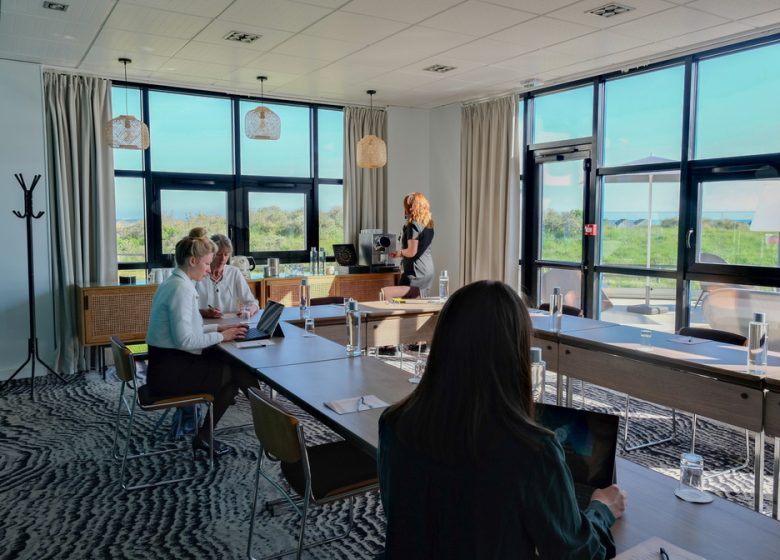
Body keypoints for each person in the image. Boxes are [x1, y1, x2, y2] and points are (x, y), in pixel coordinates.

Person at [378, 280, 626, 559]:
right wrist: (602, 510)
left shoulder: (394, 423)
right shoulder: (533, 451)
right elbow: (577, 554)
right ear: (516, 352)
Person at [146, 228, 258, 457]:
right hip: (168, 375)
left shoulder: (177, 283)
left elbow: (188, 330)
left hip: (167, 364)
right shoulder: (181, 289)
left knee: (235, 371)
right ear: (193, 260)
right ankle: (273, 420)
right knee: (235, 372)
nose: (209, 270)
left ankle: (209, 435)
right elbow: (186, 339)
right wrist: (222, 336)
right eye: (207, 264)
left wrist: (219, 328)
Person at [194, 231, 259, 319]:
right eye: (219, 254)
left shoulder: (234, 272)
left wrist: (248, 310)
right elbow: (187, 309)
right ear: (210, 254)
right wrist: (204, 312)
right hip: (204, 324)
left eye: (226, 254)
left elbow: (252, 302)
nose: (223, 258)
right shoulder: (198, 274)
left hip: (231, 324)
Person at [389, 192, 434, 297]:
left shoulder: (413, 225)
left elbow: (411, 251)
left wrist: (399, 253)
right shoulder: (428, 224)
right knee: (421, 304)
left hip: (415, 272)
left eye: (405, 207)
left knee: (401, 303)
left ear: (410, 208)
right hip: (427, 270)